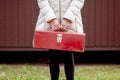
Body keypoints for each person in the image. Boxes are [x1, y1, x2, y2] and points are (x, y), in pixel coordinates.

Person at [33, 0, 85, 80]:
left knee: (68, 54)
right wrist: (51, 18)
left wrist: (68, 18)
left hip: (70, 22)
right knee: (53, 55)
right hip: (50, 22)